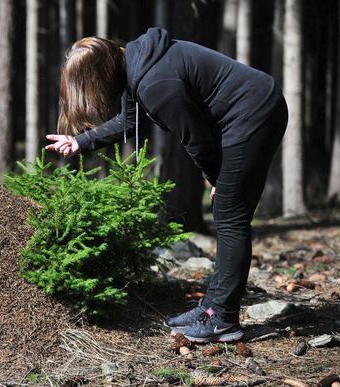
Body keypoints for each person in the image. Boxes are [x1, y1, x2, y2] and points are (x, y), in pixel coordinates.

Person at [45, 27, 288, 343]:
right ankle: (211, 308)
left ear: (99, 78)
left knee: (230, 217)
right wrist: (81, 141)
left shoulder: (156, 83)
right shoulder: (135, 62)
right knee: (228, 213)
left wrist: (217, 179)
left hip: (255, 113)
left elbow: (197, 140)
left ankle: (224, 320)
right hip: (244, 113)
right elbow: (129, 123)